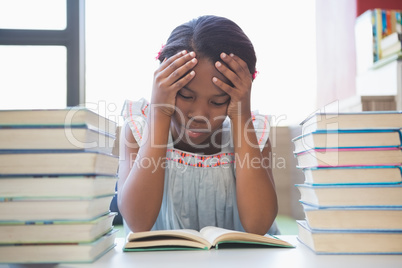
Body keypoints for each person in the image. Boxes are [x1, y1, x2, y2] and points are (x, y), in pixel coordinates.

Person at [118, 15, 279, 235]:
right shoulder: (139, 129)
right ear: (163, 85)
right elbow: (138, 222)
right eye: (185, 96)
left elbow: (258, 225)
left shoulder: (254, 134)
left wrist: (241, 117)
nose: (199, 116)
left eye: (217, 101)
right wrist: (159, 111)